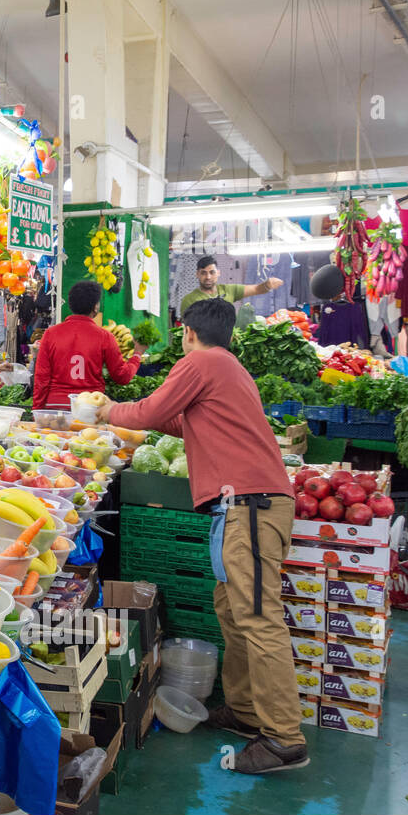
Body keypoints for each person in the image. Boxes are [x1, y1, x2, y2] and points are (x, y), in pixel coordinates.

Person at [97, 298, 307, 774]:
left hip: (250, 506)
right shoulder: (227, 367)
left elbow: (152, 412)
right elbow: (180, 419)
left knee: (257, 617)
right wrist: (126, 412)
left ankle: (284, 739)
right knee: (232, 611)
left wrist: (109, 408)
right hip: (242, 507)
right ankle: (247, 711)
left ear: (188, 331)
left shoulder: (203, 361)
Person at [31, 281, 145, 410]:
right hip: (90, 408)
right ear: (95, 307)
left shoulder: (51, 334)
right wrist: (137, 354)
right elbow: (122, 377)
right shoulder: (105, 337)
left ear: (71, 304)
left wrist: (37, 410)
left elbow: (41, 377)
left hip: (56, 407)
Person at [180, 255, 284, 316]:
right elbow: (187, 330)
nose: (208, 277)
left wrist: (267, 284)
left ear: (218, 273)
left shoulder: (229, 290)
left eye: (212, 272)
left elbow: (256, 289)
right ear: (197, 274)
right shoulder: (189, 300)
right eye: (203, 273)